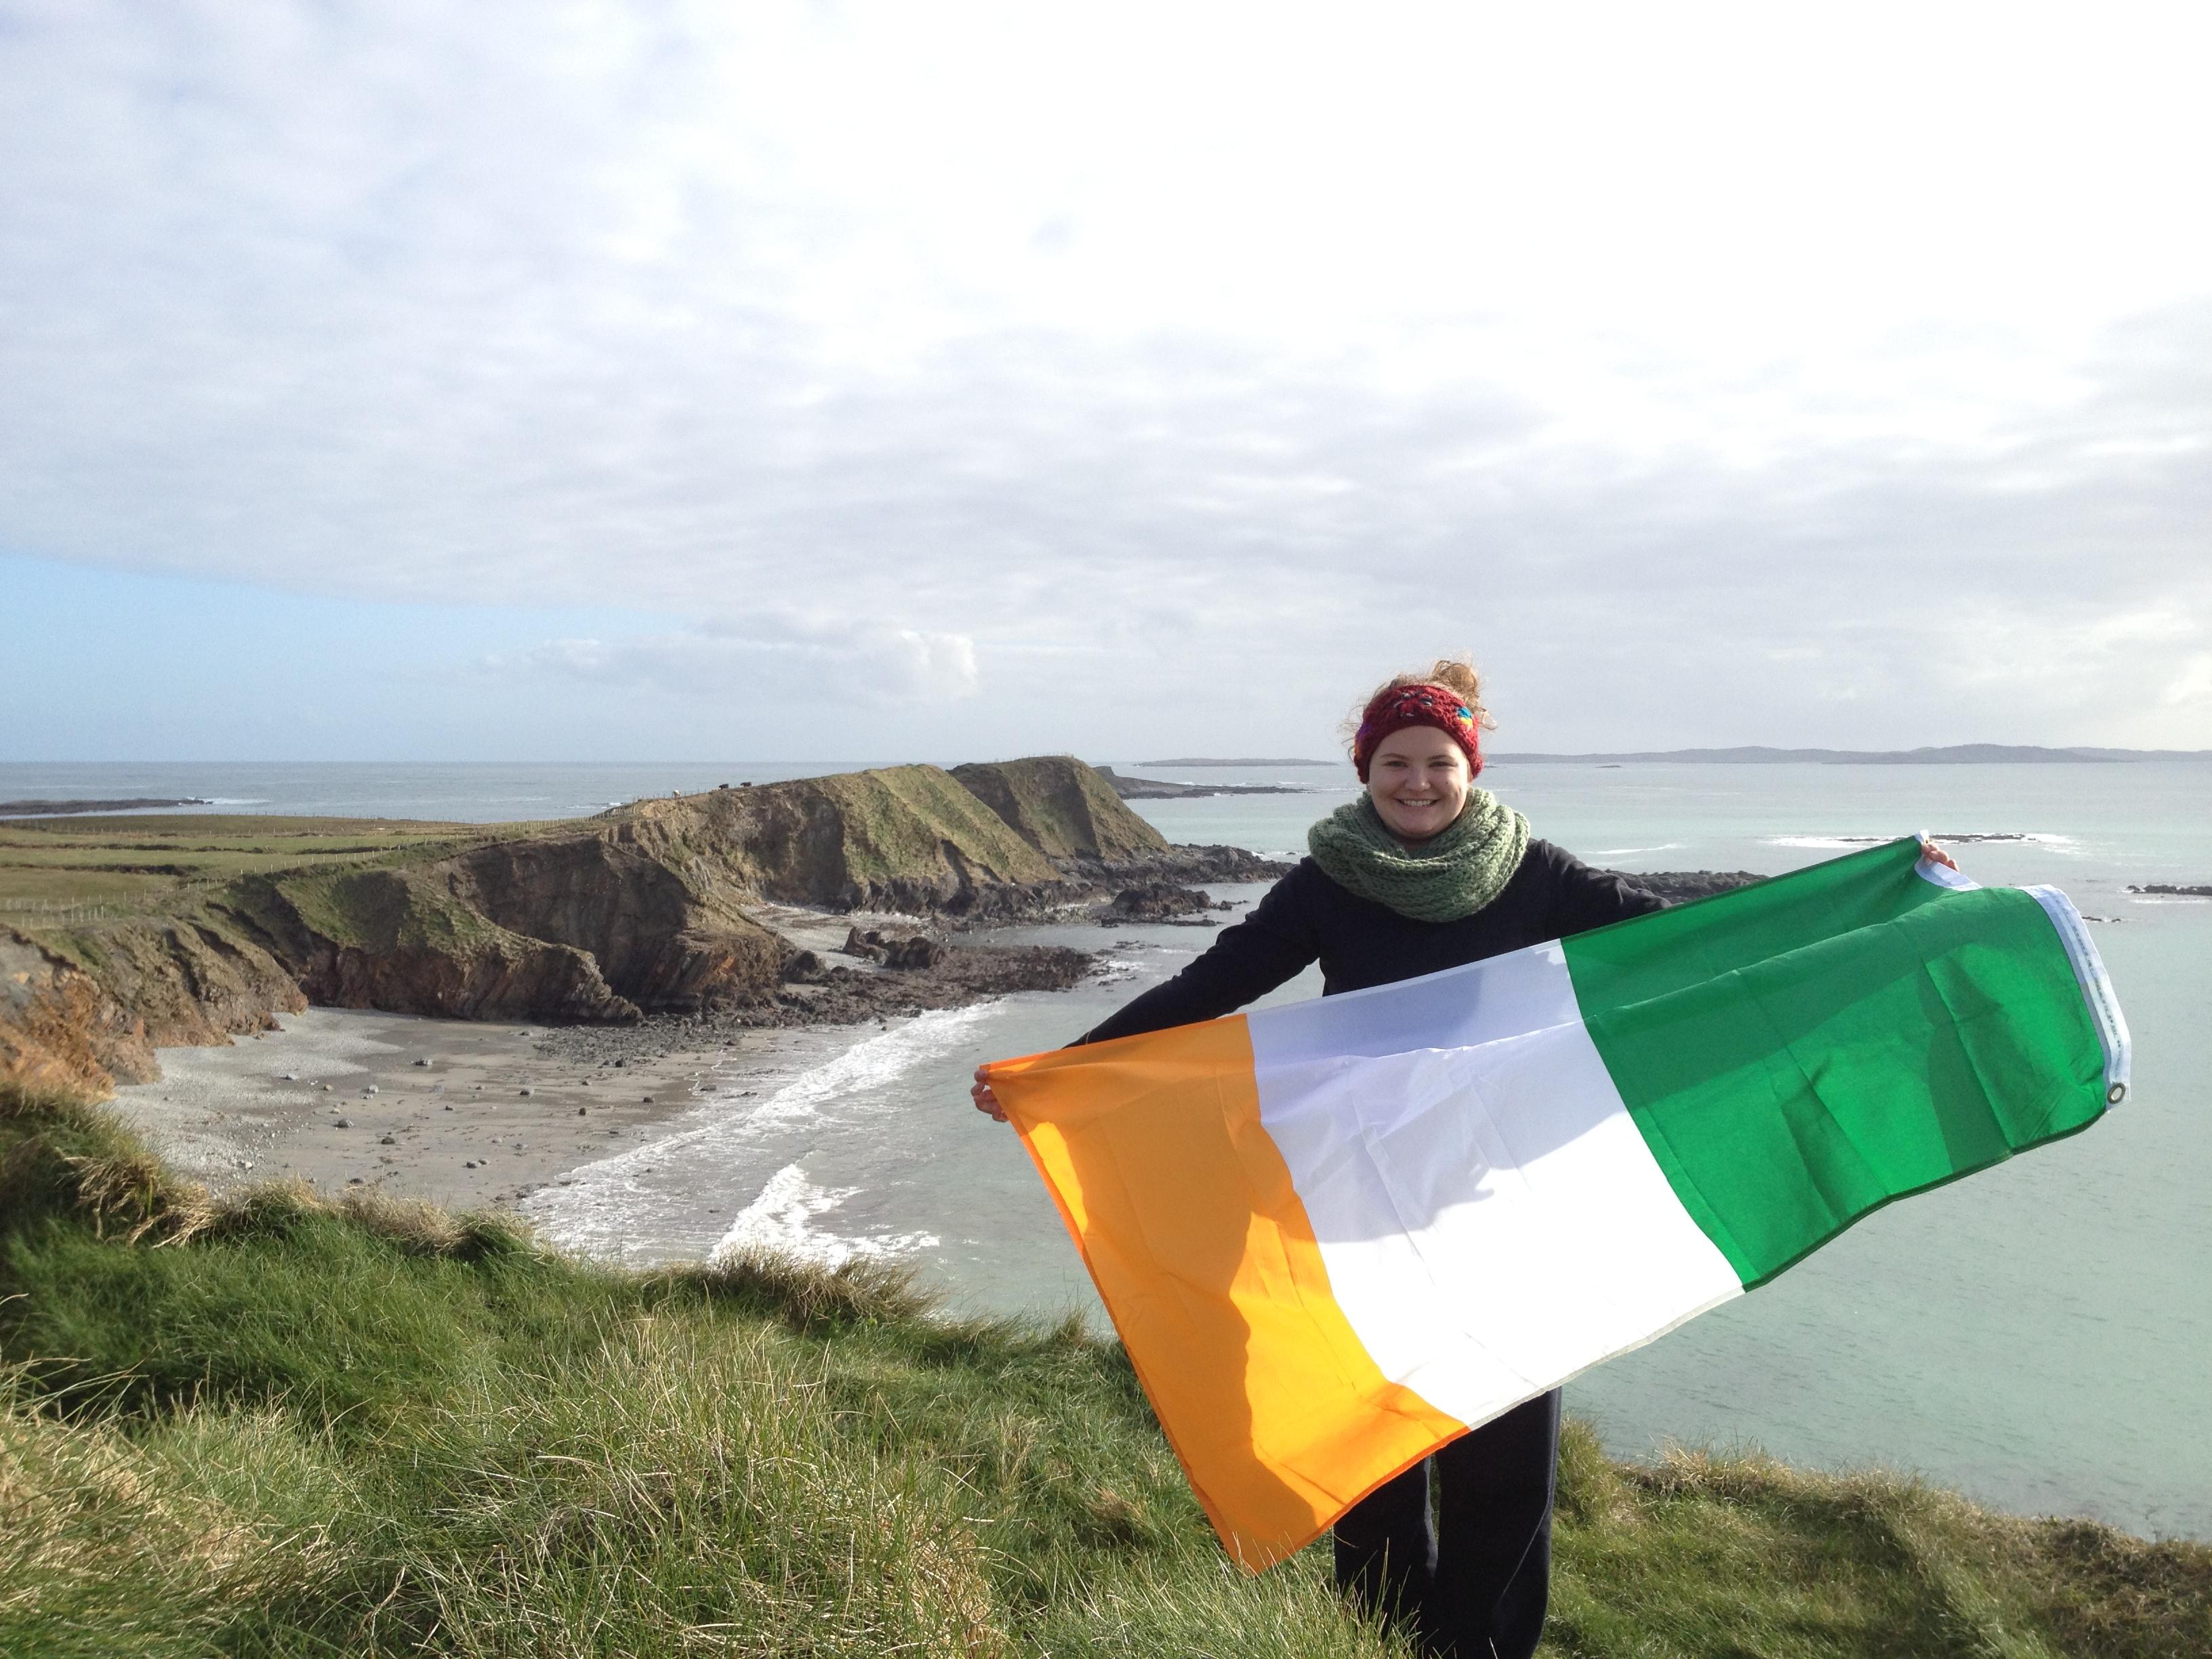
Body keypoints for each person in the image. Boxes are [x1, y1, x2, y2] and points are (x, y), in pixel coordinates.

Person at [970, 658, 1952, 1659]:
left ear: (1469, 766)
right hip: (1360, 1202)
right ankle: (1384, 1642)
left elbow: (1693, 941)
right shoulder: (1326, 884)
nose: (1417, 782)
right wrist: (1061, 1069)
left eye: (1438, 762)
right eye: (1395, 762)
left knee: (1509, 1457)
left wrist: (1876, 893)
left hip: (1498, 1204)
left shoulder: (1536, 873)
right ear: (1366, 768)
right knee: (1373, 1449)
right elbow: (1214, 983)